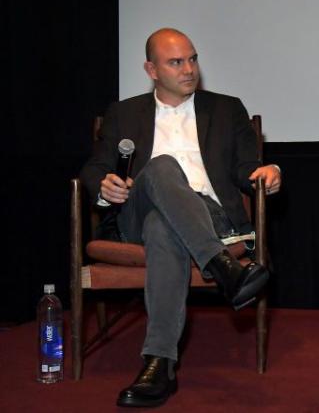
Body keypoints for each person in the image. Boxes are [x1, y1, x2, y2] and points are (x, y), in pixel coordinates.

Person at [79, 28, 281, 408]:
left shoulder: (226, 108)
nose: (189, 69)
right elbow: (94, 168)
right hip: (133, 217)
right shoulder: (124, 113)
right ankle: (224, 269)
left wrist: (268, 173)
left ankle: (159, 363)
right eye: (176, 62)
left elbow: (246, 169)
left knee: (163, 226)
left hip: (211, 215)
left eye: (193, 58)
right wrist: (103, 185)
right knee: (160, 168)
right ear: (151, 69)